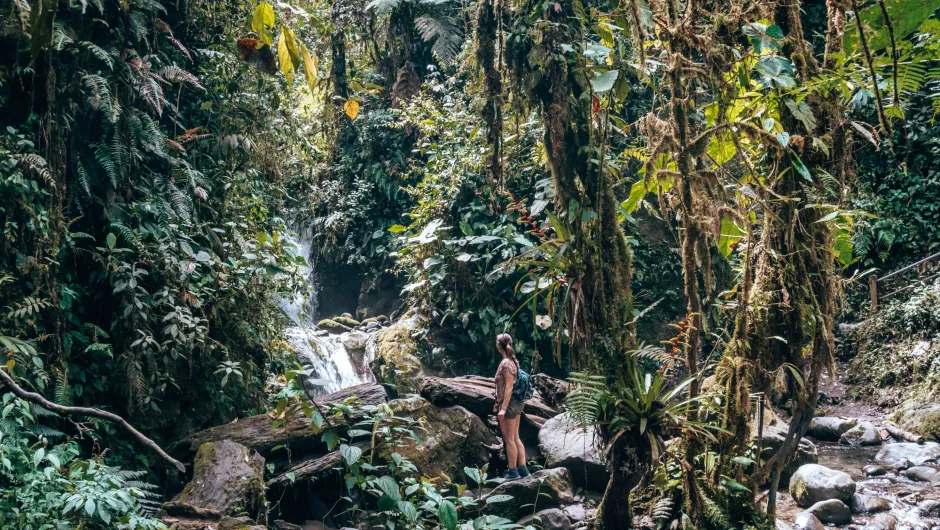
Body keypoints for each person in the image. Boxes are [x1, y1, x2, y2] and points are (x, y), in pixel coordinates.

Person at [493, 333, 529, 479]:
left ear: (498, 345)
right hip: (517, 403)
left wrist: (502, 408)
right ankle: (523, 469)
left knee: (509, 439)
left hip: (510, 404)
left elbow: (509, 387)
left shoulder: (506, 363)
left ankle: (513, 471)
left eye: (496, 341)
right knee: (515, 437)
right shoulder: (513, 361)